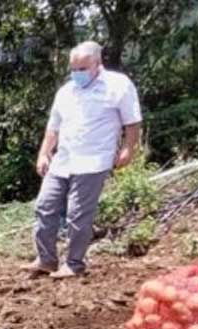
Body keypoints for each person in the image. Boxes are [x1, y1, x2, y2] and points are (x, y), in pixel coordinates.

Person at [29, 41, 142, 278]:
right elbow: (53, 127)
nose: (76, 74)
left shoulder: (118, 85)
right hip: (64, 159)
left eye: (82, 69)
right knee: (44, 207)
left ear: (97, 64)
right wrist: (44, 153)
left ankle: (74, 264)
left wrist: (128, 149)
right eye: (73, 69)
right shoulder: (66, 92)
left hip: (94, 159)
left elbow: (132, 121)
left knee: (78, 214)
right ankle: (46, 259)